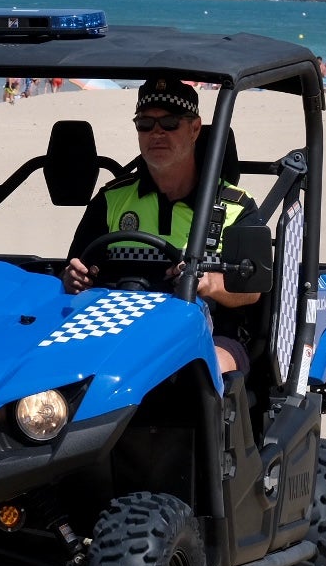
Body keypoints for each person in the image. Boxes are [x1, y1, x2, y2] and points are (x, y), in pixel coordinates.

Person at [62, 76, 262, 375]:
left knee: (195, 371)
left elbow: (253, 291)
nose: (156, 133)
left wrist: (209, 284)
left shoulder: (235, 207)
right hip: (118, 327)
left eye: (169, 123)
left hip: (210, 332)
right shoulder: (111, 200)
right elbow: (75, 268)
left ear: (195, 129)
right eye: (145, 124)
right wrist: (73, 278)